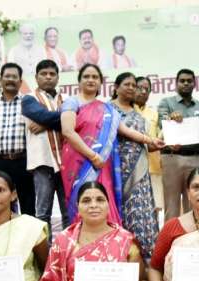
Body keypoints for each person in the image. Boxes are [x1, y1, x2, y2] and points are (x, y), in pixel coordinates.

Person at [59, 64, 163, 225]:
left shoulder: (107, 109)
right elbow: (67, 132)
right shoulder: (71, 103)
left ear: (101, 83)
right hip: (79, 162)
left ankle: (105, 238)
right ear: (79, 81)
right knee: (81, 200)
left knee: (103, 200)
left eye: (95, 77)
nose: (91, 80)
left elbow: (125, 130)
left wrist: (151, 140)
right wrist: (93, 156)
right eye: (86, 76)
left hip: (101, 164)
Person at [111, 72, 160, 258]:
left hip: (140, 172)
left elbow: (147, 145)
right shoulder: (108, 109)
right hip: (115, 171)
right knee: (119, 212)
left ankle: (146, 262)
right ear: (116, 87)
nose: (132, 88)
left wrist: (166, 143)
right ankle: (121, 257)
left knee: (141, 214)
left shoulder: (139, 113)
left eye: (135, 85)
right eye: (128, 84)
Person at [0, 63, 35, 216]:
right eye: (7, 76)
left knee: (28, 207)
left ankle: (28, 233)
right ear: (0, 80)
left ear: (20, 81)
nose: (10, 79)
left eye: (14, 77)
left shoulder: (28, 102)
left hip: (24, 162)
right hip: (0, 163)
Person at [22, 60, 68, 237]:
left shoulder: (66, 99)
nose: (48, 77)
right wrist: (60, 119)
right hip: (42, 162)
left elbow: (76, 120)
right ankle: (46, 251)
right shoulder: (29, 99)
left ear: (58, 77)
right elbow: (41, 115)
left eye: (52, 74)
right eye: (44, 74)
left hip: (66, 163)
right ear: (36, 77)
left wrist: (45, 124)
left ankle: (68, 248)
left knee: (68, 211)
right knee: (43, 212)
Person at [157, 69, 199, 221]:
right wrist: (171, 118)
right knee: (171, 205)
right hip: (172, 158)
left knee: (195, 204)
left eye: (189, 81)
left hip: (196, 158)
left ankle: (194, 235)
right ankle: (172, 236)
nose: (185, 83)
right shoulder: (166, 102)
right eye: (182, 81)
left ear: (194, 84)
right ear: (176, 83)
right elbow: (162, 123)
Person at [134, 76, 164, 211]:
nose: (143, 92)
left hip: (153, 167)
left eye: (147, 89)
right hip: (132, 169)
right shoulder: (126, 111)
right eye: (139, 88)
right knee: (136, 207)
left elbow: (159, 137)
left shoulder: (154, 113)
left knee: (155, 207)